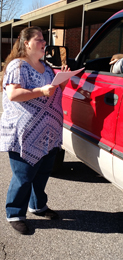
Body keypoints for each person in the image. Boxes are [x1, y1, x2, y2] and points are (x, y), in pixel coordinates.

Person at [0, 26, 69, 235]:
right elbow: (13, 94)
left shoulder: (47, 68)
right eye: (38, 39)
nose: (43, 42)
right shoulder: (18, 65)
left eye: (43, 39)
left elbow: (52, 91)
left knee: (42, 173)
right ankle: (14, 213)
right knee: (24, 175)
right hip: (25, 134)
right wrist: (40, 90)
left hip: (48, 133)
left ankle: (38, 206)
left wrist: (62, 82)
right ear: (26, 43)